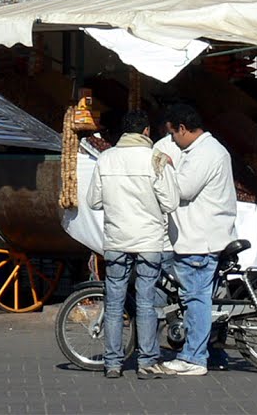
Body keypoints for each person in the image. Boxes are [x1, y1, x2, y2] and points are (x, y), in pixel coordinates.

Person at [87, 110, 179, 379]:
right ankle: (146, 361)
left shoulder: (106, 159)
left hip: (116, 240)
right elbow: (171, 203)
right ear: (147, 132)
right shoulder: (156, 160)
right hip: (149, 241)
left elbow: (93, 201)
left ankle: (113, 363)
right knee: (146, 302)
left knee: (114, 304)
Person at [161, 103, 237, 377]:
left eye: (172, 134)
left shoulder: (204, 153)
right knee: (202, 298)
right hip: (206, 235)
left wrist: (166, 167)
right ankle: (211, 352)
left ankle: (193, 358)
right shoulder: (206, 150)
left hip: (199, 239)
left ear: (182, 129)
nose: (171, 140)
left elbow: (182, 189)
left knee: (196, 298)